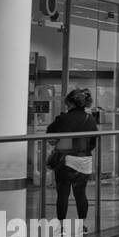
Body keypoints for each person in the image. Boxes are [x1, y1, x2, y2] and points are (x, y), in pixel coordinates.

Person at [46, 88, 98, 226]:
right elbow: (93, 142)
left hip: (66, 160)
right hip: (85, 160)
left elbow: (49, 135)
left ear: (70, 103)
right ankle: (82, 225)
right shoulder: (90, 119)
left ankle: (62, 226)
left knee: (63, 194)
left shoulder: (63, 119)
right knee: (81, 194)